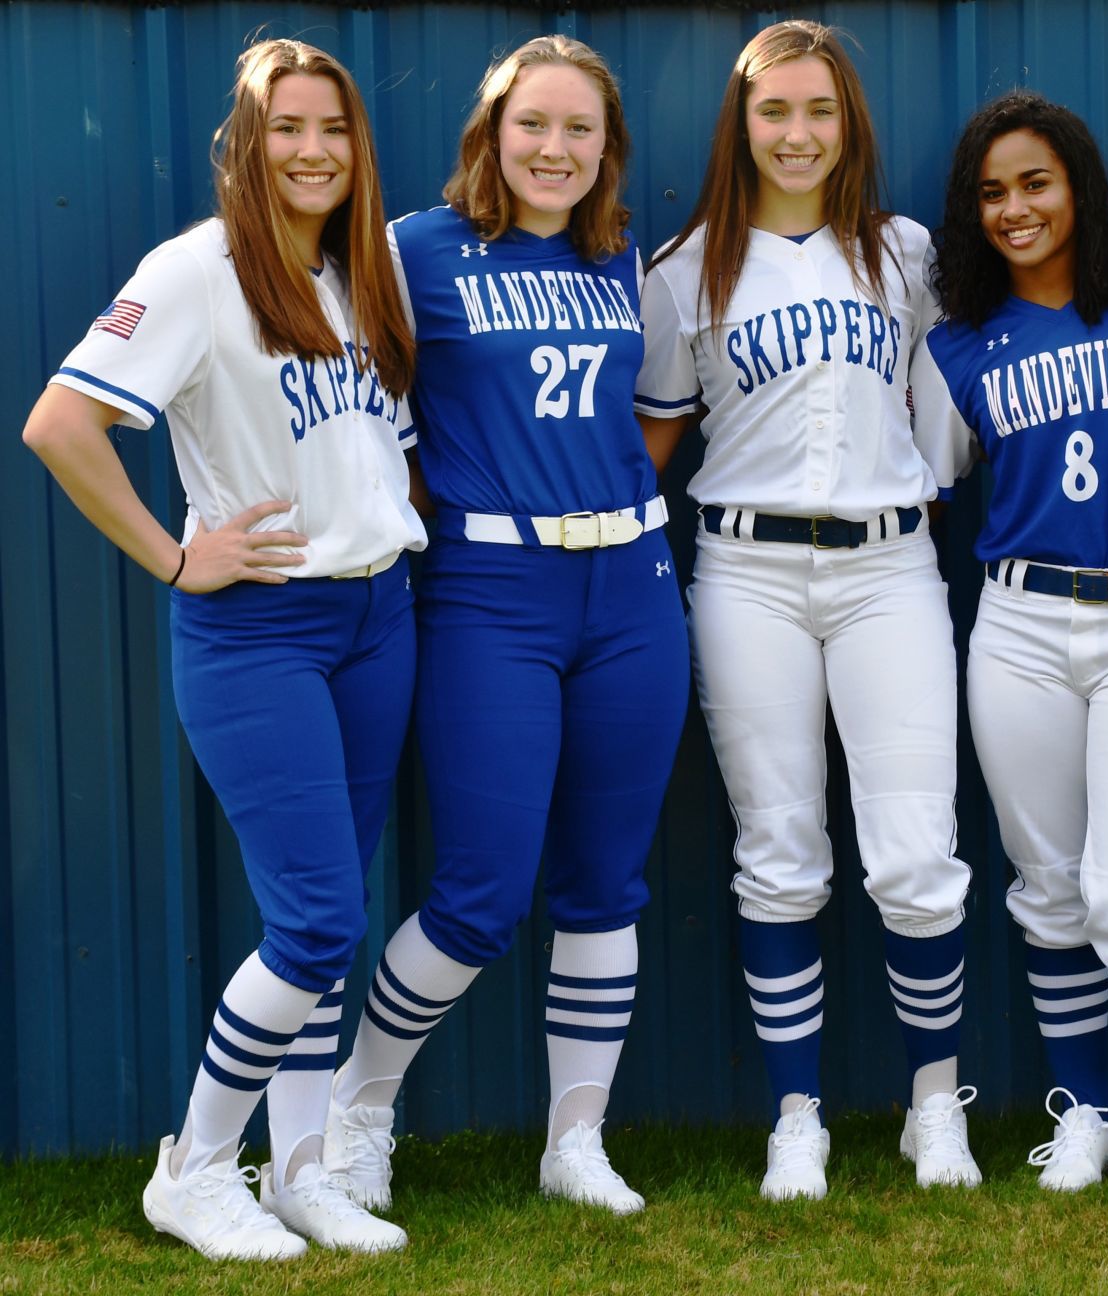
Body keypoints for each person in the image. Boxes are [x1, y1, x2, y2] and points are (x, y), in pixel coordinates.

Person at [22, 39, 421, 1259]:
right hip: (259, 628)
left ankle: (298, 1171)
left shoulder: (365, 266)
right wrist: (175, 553)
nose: (311, 151)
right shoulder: (196, 271)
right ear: (245, 146)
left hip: (375, 615)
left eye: (333, 130)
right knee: (312, 923)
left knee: (334, 913)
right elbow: (61, 422)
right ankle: (195, 1167)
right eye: (285, 129)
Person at [322, 35, 688, 1218]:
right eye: (534, 124)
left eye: (581, 130)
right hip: (489, 595)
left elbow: (655, 415)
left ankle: (573, 1142)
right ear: (491, 130)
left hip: (630, 586)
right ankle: (357, 1110)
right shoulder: (415, 252)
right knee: (480, 890)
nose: (556, 148)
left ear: (607, 150)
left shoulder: (624, 254)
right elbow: (364, 421)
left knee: (604, 882)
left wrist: (602, 507)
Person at [635, 19, 977, 1200]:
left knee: (915, 858)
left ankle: (936, 1107)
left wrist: (923, 486)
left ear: (848, 124)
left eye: (818, 111)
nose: (796, 133)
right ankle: (799, 1117)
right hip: (745, 573)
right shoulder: (684, 271)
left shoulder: (902, 253)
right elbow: (654, 440)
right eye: (773, 111)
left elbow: (945, 405)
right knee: (779, 856)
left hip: (888, 569)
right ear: (741, 123)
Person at [910, 91, 1108, 1197]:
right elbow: (928, 483)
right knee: (1047, 889)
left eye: (1034, 182)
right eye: (990, 193)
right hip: (1021, 623)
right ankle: (1084, 1109)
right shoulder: (955, 342)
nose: (1013, 208)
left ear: (1078, 187)